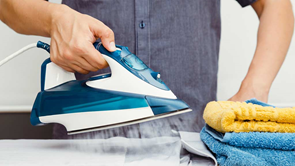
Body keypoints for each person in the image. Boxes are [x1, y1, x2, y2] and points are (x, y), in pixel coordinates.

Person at [0, 0, 294, 138]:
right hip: (81, 147)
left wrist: (254, 89)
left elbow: (275, 5)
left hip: (191, 139)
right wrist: (54, 19)